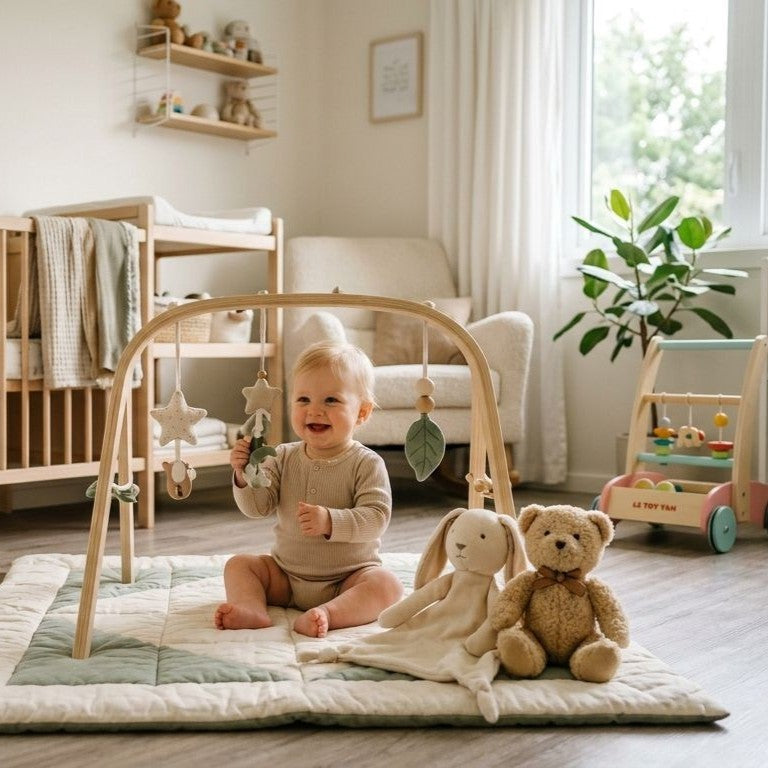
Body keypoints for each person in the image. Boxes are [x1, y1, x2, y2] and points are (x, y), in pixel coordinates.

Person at [214, 340, 403, 637]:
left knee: (387, 585)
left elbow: (377, 517)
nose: (314, 410)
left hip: (348, 578)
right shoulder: (281, 456)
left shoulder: (367, 463)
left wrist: (331, 521)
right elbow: (257, 507)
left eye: (331, 400)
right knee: (239, 565)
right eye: (303, 400)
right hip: (286, 576)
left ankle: (329, 613)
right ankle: (252, 608)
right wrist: (244, 474)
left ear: (362, 413)